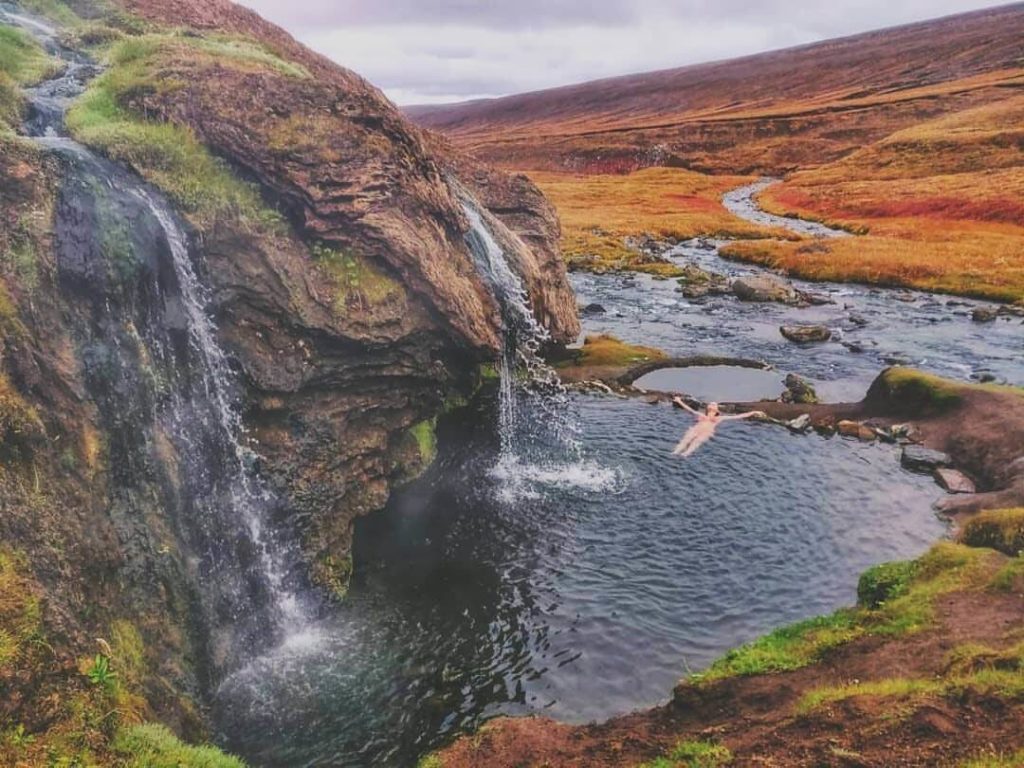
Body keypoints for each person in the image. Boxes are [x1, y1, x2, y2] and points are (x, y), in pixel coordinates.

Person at [671, 397, 766, 458]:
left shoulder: (719, 418)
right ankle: (674, 454)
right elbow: (689, 409)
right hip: (695, 429)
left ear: (717, 409)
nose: (712, 404)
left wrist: (754, 412)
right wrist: (679, 401)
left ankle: (684, 455)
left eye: (714, 404)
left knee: (693, 446)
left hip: (706, 432)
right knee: (684, 441)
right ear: (707, 407)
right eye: (711, 403)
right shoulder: (700, 414)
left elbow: (738, 416)